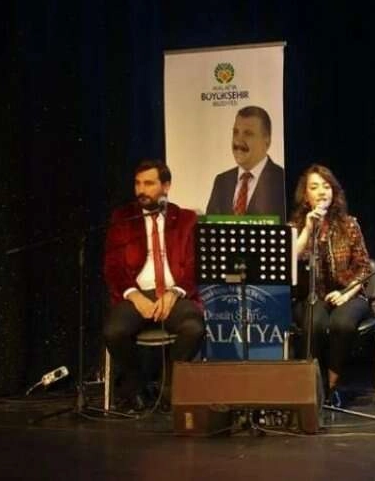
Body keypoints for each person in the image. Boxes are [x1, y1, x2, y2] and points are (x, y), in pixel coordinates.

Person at [104, 160, 205, 412]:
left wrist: (174, 293)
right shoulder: (123, 218)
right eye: (138, 183)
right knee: (113, 332)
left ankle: (167, 387)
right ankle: (137, 387)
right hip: (136, 295)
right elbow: (113, 267)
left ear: (166, 186)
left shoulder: (185, 219)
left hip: (173, 294)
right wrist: (134, 295)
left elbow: (194, 266)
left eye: (149, 183)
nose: (141, 190)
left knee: (193, 328)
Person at [290, 164, 372, 405]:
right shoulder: (296, 226)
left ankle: (332, 383)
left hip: (349, 294)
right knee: (315, 324)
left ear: (333, 192)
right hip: (311, 297)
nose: (321, 192)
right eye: (314, 187)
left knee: (342, 324)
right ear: (305, 195)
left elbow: (364, 267)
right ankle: (314, 385)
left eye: (326, 186)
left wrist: (346, 294)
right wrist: (308, 230)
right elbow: (289, 261)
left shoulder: (349, 224)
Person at [206, 105, 286, 218]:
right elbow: (210, 224)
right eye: (235, 132)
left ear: (267, 140)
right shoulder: (222, 181)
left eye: (248, 133)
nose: (238, 141)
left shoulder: (282, 180)